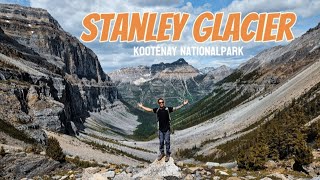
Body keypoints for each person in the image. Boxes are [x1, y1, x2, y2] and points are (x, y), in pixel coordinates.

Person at [137, 98, 189, 162]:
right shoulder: (157, 110)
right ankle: (162, 153)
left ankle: (167, 154)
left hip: (167, 129)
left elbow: (175, 108)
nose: (161, 103)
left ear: (164, 102)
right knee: (161, 142)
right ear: (158, 103)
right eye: (160, 102)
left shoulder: (167, 109)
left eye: (162, 102)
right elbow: (149, 110)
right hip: (160, 130)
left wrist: (183, 104)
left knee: (167, 142)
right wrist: (142, 106)